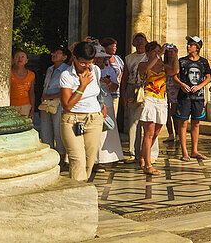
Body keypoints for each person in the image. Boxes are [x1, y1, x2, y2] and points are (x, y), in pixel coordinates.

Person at [59, 40, 107, 182]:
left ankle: (81, 186)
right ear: (74, 58)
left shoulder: (96, 70)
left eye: (89, 62)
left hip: (94, 119)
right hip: (72, 120)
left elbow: (97, 92)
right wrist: (82, 86)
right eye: (82, 63)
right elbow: (67, 105)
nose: (86, 66)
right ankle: (77, 194)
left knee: (89, 160)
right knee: (77, 159)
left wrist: (102, 105)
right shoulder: (66, 76)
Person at [174, 36, 211, 161]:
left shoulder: (203, 62)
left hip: (198, 97)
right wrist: (182, 84)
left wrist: (199, 86)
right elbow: (175, 76)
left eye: (191, 44)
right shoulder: (182, 61)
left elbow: (208, 77)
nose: (188, 46)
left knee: (196, 123)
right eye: (188, 44)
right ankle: (184, 151)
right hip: (184, 97)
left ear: (197, 47)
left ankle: (194, 150)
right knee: (183, 123)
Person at [121, 32, 155, 163]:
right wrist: (123, 94)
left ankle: (150, 153)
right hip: (132, 88)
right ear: (133, 43)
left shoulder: (150, 57)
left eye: (142, 40)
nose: (140, 42)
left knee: (149, 121)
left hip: (148, 89)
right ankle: (133, 152)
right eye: (137, 40)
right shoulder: (129, 58)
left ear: (146, 42)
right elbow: (125, 77)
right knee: (133, 121)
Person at [137, 41, 169, 176]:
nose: (157, 54)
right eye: (155, 51)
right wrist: (159, 55)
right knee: (149, 133)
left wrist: (174, 55)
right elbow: (146, 69)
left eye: (159, 51)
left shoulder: (163, 65)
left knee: (156, 133)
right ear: (148, 53)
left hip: (162, 100)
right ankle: (148, 164)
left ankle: (142, 155)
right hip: (149, 99)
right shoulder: (143, 65)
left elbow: (175, 70)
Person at [94, 39, 124, 168]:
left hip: (107, 102)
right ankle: (94, 160)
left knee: (108, 131)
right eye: (96, 58)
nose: (98, 60)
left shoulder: (109, 70)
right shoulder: (90, 70)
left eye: (101, 58)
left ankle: (107, 158)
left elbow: (115, 87)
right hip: (93, 103)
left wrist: (108, 82)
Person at [38, 46, 69, 163]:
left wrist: (49, 97)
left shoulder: (67, 70)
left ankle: (61, 160)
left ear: (65, 57)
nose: (54, 54)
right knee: (45, 131)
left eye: (58, 53)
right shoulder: (50, 69)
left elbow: (67, 90)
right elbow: (46, 86)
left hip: (59, 104)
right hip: (46, 104)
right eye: (54, 52)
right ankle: (48, 158)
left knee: (58, 131)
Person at [9, 50, 35, 120]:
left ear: (26, 60)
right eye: (17, 57)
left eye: (22, 57)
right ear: (13, 60)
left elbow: (31, 93)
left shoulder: (31, 75)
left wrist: (32, 110)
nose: (20, 59)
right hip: (11, 106)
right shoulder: (8, 73)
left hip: (26, 106)